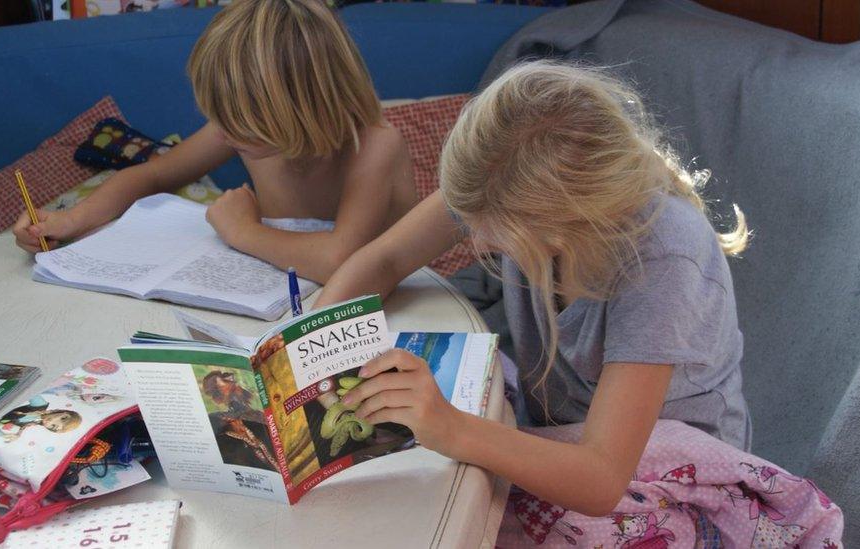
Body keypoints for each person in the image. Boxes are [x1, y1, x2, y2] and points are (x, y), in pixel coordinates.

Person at [316, 60, 754, 516]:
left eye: (495, 232)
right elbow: (385, 259)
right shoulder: (499, 173)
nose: (478, 241)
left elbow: (601, 480)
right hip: (557, 432)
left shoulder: (662, 261)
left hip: (674, 478)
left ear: (564, 224)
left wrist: (450, 428)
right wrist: (316, 342)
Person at [13, 0, 415, 284]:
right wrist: (70, 221)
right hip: (286, 303)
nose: (225, 132)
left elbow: (340, 260)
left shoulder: (375, 147)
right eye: (220, 116)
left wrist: (241, 231)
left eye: (240, 120)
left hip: (388, 312)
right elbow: (151, 176)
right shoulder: (241, 131)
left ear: (303, 106)